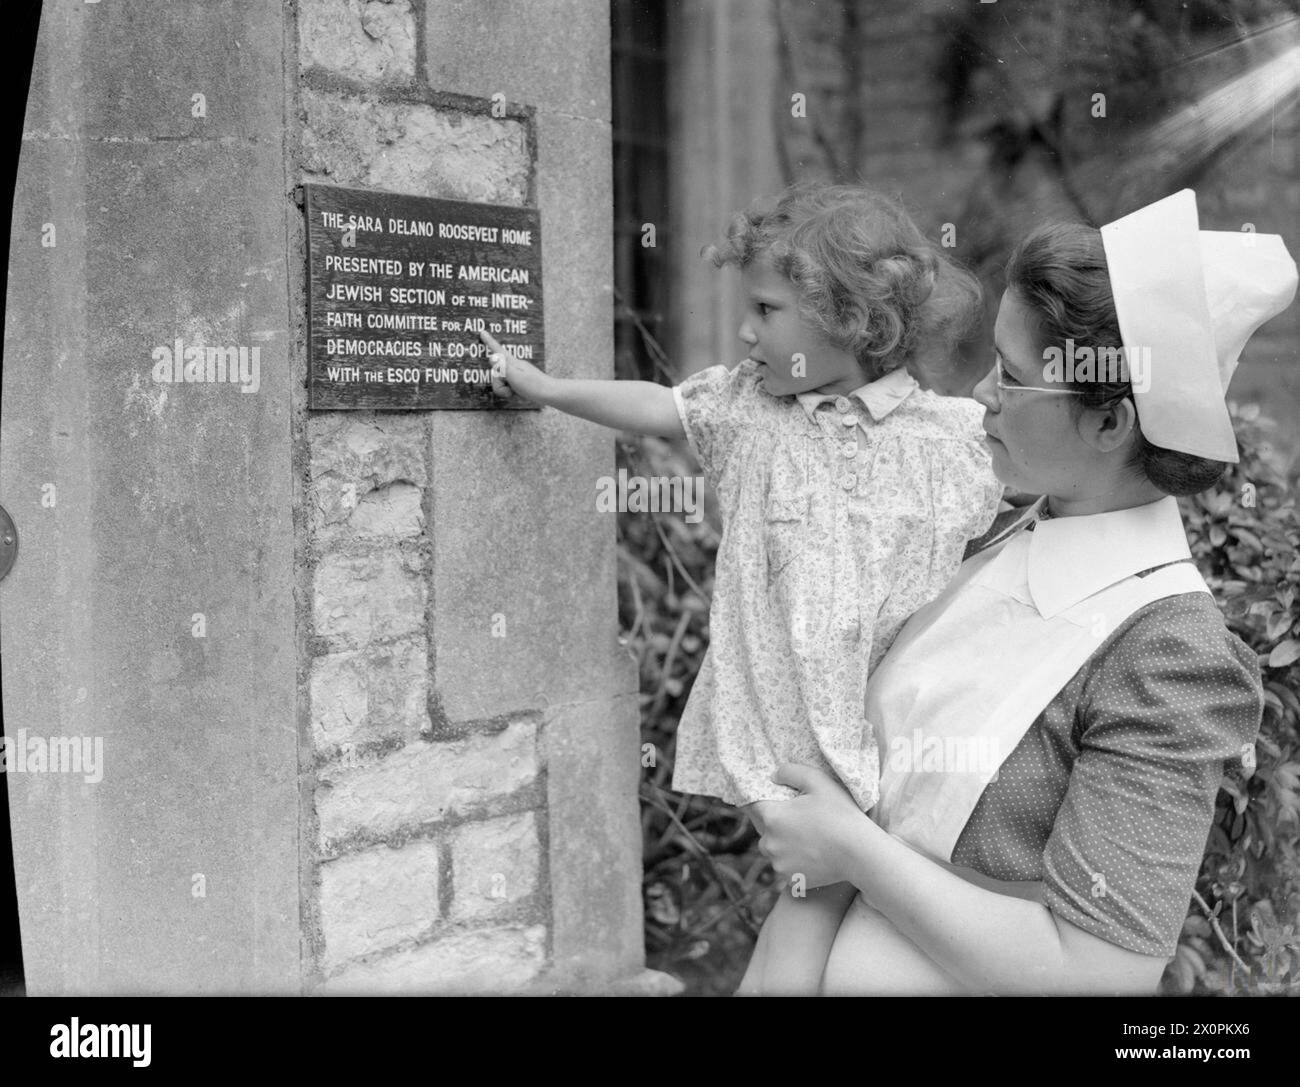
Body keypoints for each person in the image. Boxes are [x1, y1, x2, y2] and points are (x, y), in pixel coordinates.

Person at [739, 188, 1298, 994]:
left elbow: (1102, 975)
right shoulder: (1002, 529)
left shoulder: (1168, 656)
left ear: (1112, 423)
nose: (980, 395)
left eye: (1015, 376)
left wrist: (848, 848)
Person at [481, 182, 1002, 990]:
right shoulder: (750, 411)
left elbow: (1033, 501)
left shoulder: (949, 435)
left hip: (898, 730)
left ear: (853, 321)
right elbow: (660, 405)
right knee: (815, 891)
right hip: (789, 731)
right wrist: (546, 390)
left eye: (767, 310)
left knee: (820, 905)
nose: (744, 330)